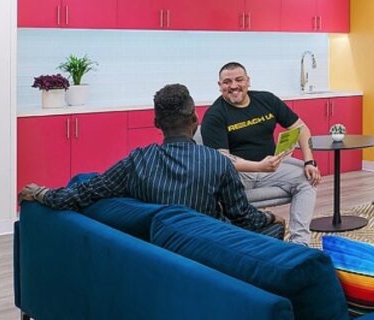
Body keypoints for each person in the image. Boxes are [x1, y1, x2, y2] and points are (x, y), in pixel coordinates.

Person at [18, 84, 278, 234]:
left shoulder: (137, 162)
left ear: (156, 123)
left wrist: (41, 193)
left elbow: (82, 193)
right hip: (209, 250)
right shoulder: (217, 162)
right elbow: (243, 218)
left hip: (157, 248)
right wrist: (270, 218)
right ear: (195, 121)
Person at [201, 62, 320, 245]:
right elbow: (222, 159)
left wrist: (309, 162)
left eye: (239, 80)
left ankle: (300, 244)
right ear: (220, 86)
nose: (233, 86)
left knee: (307, 178)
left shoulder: (266, 100)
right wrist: (258, 166)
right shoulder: (214, 115)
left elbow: (301, 128)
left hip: (270, 168)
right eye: (227, 82)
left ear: (248, 81)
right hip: (238, 175)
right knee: (220, 190)